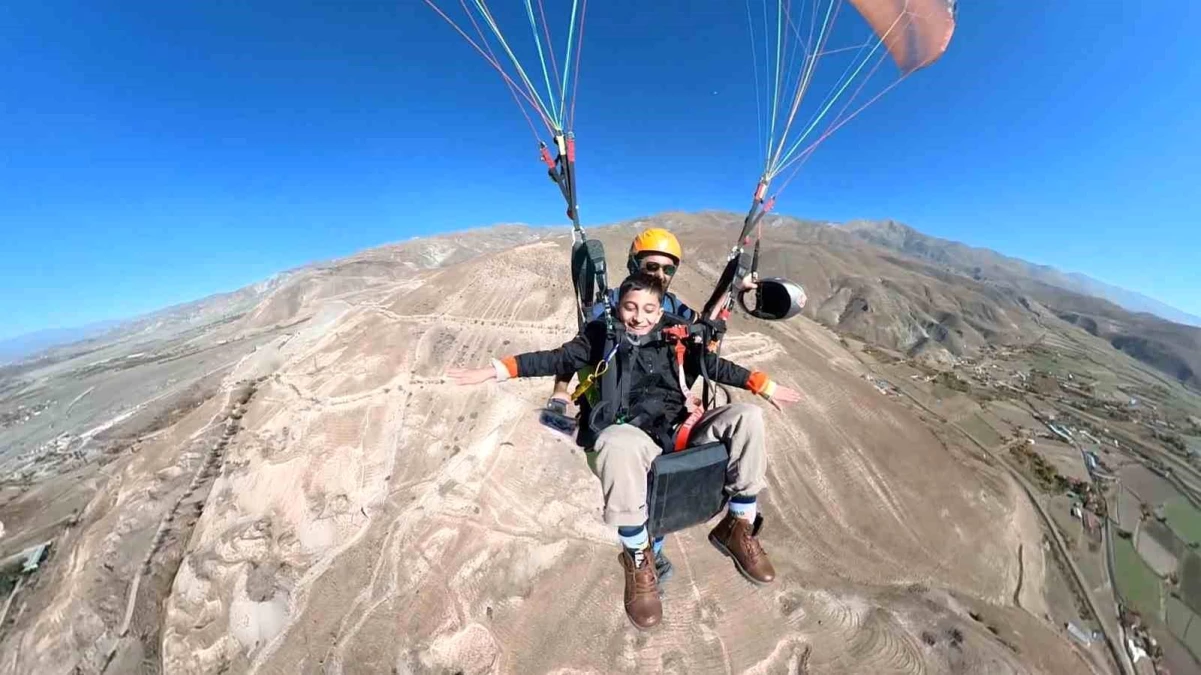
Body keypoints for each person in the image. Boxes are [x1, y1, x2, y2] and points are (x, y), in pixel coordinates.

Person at [448, 272, 800, 630]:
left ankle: (738, 525)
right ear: (618, 307)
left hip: (679, 429)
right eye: (630, 307)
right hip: (635, 438)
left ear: (660, 309)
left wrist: (763, 385)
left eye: (649, 309)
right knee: (617, 443)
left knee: (746, 417)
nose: (639, 317)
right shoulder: (602, 337)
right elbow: (555, 359)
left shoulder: (674, 336)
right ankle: (637, 556)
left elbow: (714, 366)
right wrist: (495, 370)